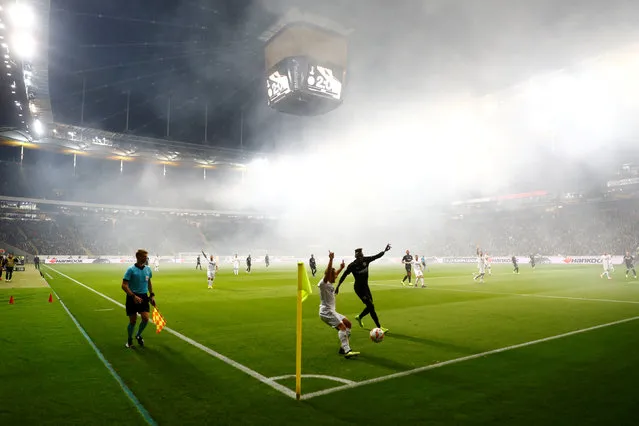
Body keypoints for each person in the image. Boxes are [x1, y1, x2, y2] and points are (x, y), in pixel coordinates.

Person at [335, 244, 391, 334]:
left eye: (362, 255)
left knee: (370, 306)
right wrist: (338, 286)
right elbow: (344, 275)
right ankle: (379, 327)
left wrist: (384, 251)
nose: (362, 257)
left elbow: (376, 256)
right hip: (359, 288)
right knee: (371, 306)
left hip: (366, 287)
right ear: (356, 257)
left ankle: (360, 317)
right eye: (360, 256)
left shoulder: (366, 260)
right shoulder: (352, 265)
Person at [318, 251, 359, 358]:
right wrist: (331, 259)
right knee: (342, 327)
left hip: (332, 311)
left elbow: (334, 274)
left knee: (348, 324)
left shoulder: (330, 282)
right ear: (329, 276)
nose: (336, 277)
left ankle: (343, 347)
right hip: (326, 311)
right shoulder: (323, 283)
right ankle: (347, 350)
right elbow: (328, 275)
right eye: (334, 276)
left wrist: (341, 268)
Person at [121, 249, 155, 348]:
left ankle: (138, 335)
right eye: (144, 257)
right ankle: (129, 340)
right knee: (133, 321)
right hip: (132, 296)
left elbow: (149, 282)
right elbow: (124, 285)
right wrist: (133, 296)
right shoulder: (131, 269)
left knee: (145, 318)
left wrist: (151, 295)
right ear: (138, 257)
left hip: (144, 296)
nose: (145, 259)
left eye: (146, 257)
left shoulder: (148, 269)